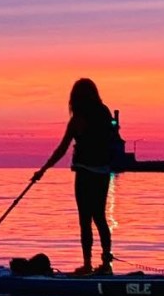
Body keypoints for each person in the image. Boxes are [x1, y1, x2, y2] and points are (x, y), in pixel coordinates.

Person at [32, 78, 115, 275]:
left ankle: (87, 264)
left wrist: (43, 169)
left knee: (85, 219)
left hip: (85, 172)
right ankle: (106, 264)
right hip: (103, 172)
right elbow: (111, 140)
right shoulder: (104, 113)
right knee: (100, 217)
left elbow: (62, 148)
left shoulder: (78, 119)